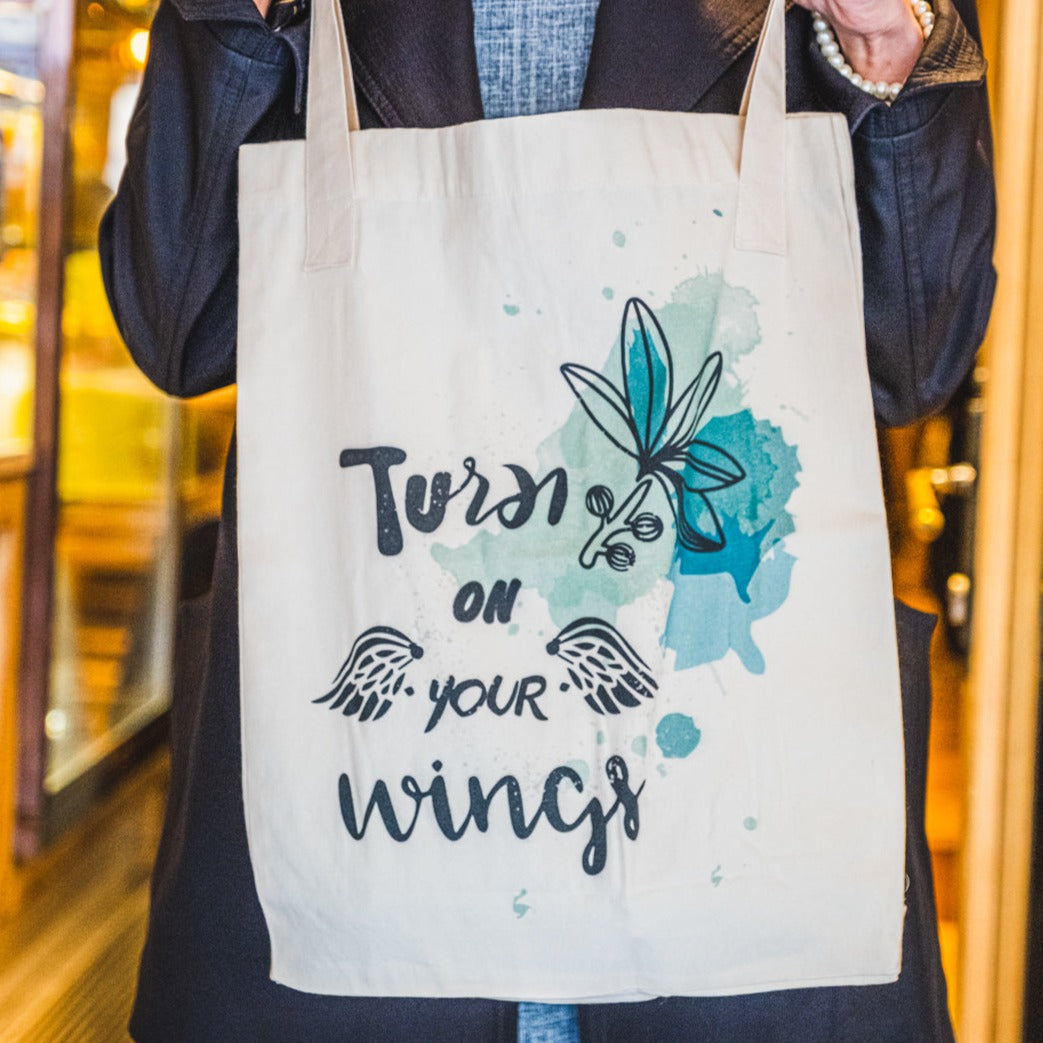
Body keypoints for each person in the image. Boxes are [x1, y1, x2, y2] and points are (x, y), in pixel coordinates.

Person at [99, 1, 995, 1039]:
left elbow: (913, 359)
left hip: (718, 869)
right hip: (368, 862)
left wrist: (884, 49)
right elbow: (177, 328)